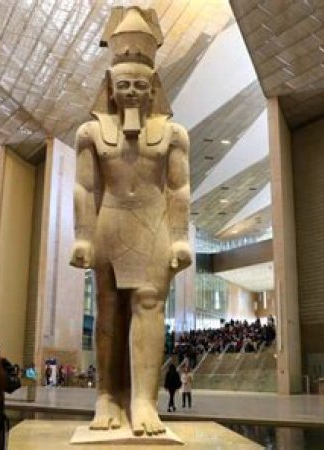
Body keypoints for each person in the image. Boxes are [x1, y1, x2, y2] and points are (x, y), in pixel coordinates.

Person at [69, 6, 191, 436]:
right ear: (110, 86)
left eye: (141, 85)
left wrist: (181, 238)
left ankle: (143, 400)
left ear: (153, 87)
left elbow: (178, 188)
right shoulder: (90, 133)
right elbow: (85, 187)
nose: (133, 93)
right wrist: (82, 236)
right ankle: (106, 395)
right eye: (124, 86)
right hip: (110, 225)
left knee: (149, 304)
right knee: (109, 309)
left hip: (153, 225)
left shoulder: (173, 135)